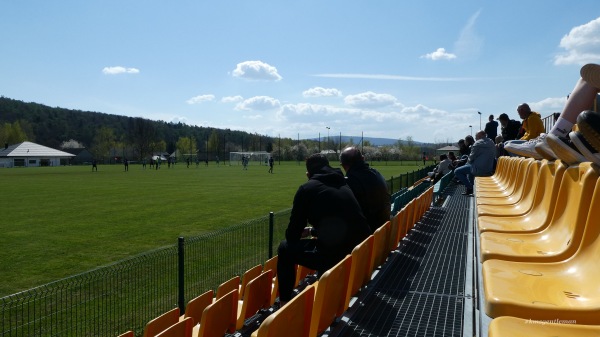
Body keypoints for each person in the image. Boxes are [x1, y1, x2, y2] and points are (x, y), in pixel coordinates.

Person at [277, 154, 371, 304]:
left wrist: (302, 231)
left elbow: (292, 236)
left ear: (308, 174)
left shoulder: (307, 189)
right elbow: (343, 223)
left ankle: (284, 303)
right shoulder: (343, 183)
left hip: (337, 256)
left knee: (284, 248)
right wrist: (313, 231)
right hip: (361, 251)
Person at [340, 147, 391, 233]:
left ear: (343, 165)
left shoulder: (349, 182)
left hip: (368, 235)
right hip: (383, 229)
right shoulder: (376, 173)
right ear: (363, 158)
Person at [454, 130, 496, 195]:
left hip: (478, 169)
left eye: (476, 137)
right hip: (489, 169)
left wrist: (466, 164)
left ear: (480, 136)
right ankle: (470, 189)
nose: (475, 139)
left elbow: (471, 158)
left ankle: (470, 187)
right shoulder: (491, 142)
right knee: (470, 169)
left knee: (457, 171)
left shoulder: (477, 143)